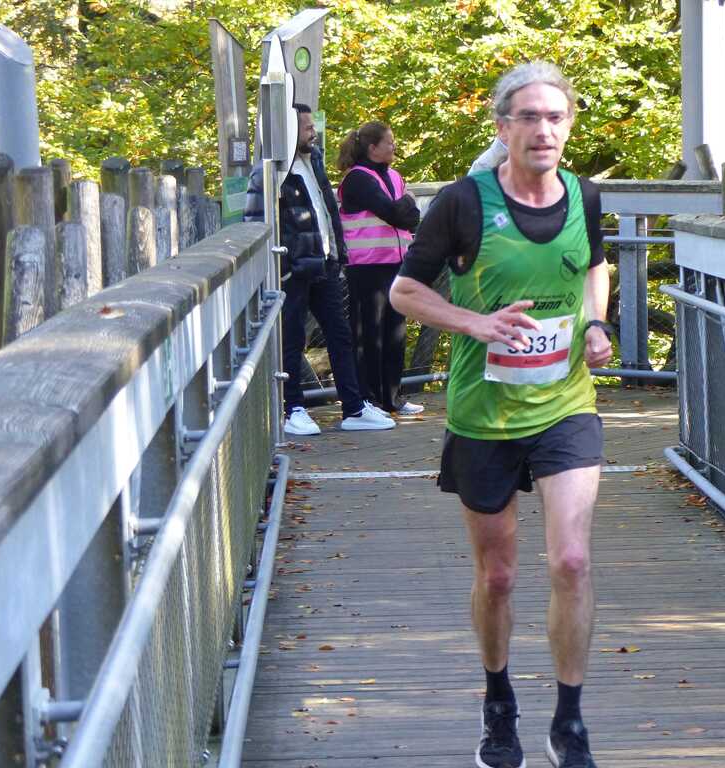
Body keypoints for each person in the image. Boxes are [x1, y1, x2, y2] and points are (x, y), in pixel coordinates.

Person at [390, 63, 613, 768]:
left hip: (565, 405)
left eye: (556, 117)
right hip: (484, 415)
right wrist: (475, 323)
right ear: (503, 127)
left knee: (571, 560)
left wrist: (595, 322)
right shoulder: (462, 203)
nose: (544, 130)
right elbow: (403, 292)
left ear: (568, 126)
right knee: (499, 577)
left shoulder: (585, 195)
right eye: (529, 117)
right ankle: (498, 702)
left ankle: (569, 722)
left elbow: (593, 264)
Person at [244, 103, 395, 435]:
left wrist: (338, 253)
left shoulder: (314, 161)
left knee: (341, 335)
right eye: (307, 127)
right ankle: (293, 408)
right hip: (294, 268)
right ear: (288, 130)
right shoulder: (268, 172)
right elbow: (255, 221)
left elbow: (326, 210)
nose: (314, 132)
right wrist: (284, 265)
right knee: (292, 338)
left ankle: (354, 407)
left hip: (324, 262)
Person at [337, 121, 423, 416]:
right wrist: (407, 202)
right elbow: (394, 213)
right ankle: (368, 398)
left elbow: (410, 218)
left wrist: (404, 208)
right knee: (369, 333)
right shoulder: (358, 179)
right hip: (368, 265)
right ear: (373, 148)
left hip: (396, 263)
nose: (394, 146)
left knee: (394, 332)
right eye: (389, 142)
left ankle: (392, 397)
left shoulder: (394, 176)